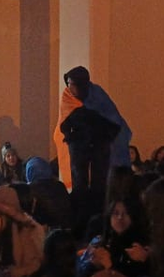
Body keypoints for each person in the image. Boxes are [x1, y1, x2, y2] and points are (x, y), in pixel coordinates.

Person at [54, 66, 132, 211]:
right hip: (78, 146)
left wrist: (102, 134)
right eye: (69, 83)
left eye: (73, 84)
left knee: (99, 180)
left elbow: (113, 120)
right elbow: (64, 123)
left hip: (99, 144)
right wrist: (72, 136)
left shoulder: (97, 95)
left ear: (83, 84)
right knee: (79, 181)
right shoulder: (67, 97)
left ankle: (97, 209)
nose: (70, 87)